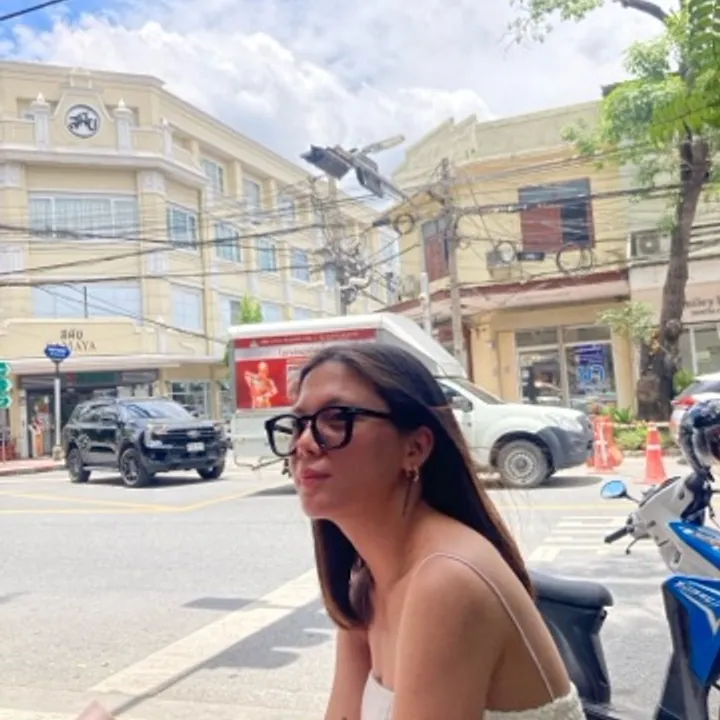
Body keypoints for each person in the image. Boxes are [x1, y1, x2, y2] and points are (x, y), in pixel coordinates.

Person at [264, 343, 584, 720]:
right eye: (299, 424)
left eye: (337, 418)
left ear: (415, 448)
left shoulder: (446, 581)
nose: (304, 443)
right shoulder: (366, 585)